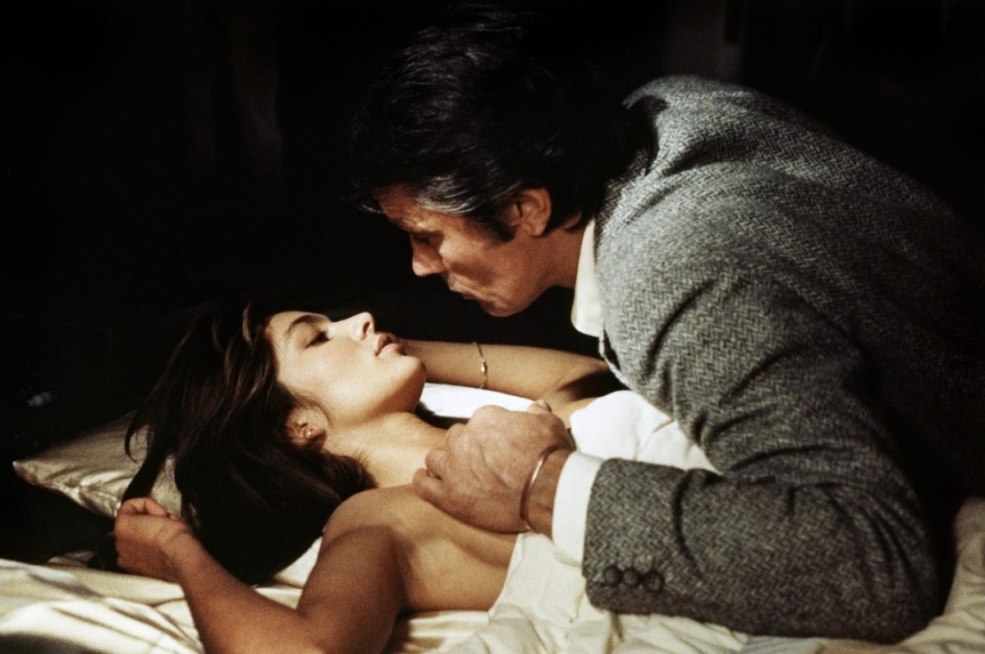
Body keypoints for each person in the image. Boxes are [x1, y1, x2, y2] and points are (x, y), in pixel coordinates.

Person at [344, 2, 985, 642]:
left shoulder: (669, 278)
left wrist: (545, 487)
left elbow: (877, 563)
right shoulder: (670, 107)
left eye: (427, 235)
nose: (420, 266)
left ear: (525, 210)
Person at [113, 296, 625, 652]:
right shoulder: (381, 519)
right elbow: (307, 650)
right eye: (317, 338)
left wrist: (399, 347)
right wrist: (179, 554)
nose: (362, 318)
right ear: (297, 425)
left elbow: (587, 375)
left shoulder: (515, 430)